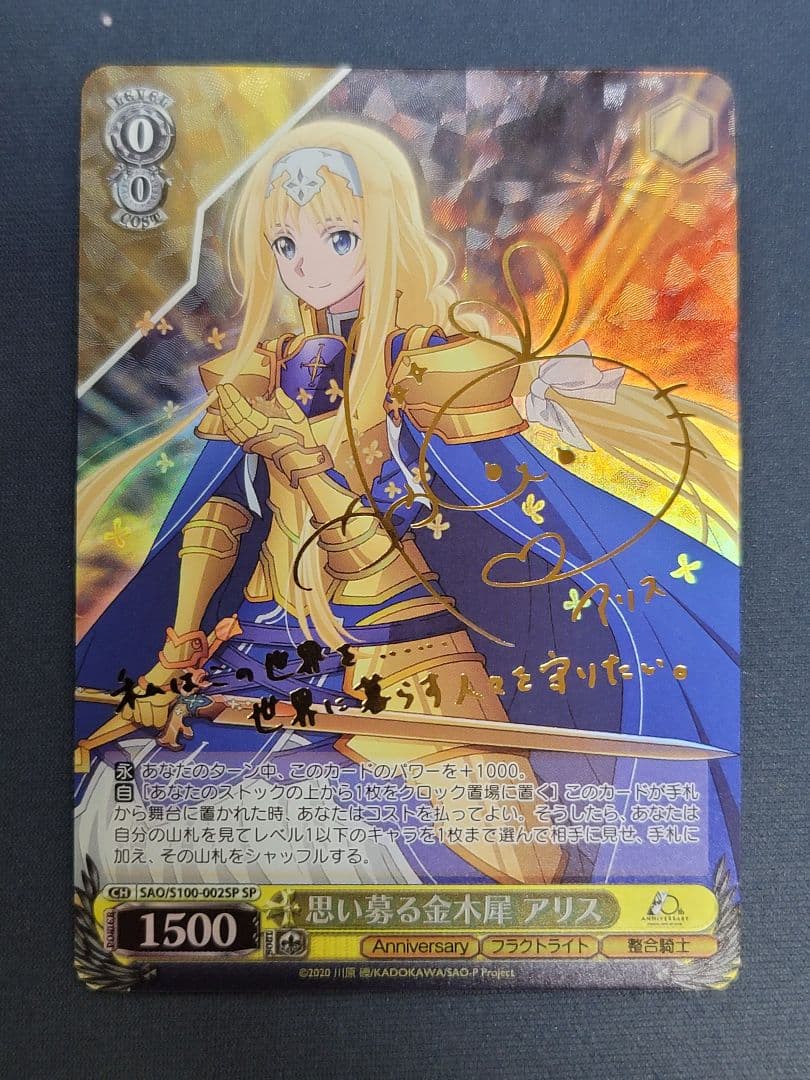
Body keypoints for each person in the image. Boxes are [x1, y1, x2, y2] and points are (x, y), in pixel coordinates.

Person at [76, 119, 739, 888]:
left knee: (515, 865)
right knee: (134, 818)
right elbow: (223, 513)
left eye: (338, 238)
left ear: (384, 232)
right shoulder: (263, 371)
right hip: (256, 647)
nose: (308, 265)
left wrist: (536, 385)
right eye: (285, 244)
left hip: (395, 644)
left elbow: (480, 390)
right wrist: (178, 649)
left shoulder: (412, 360)